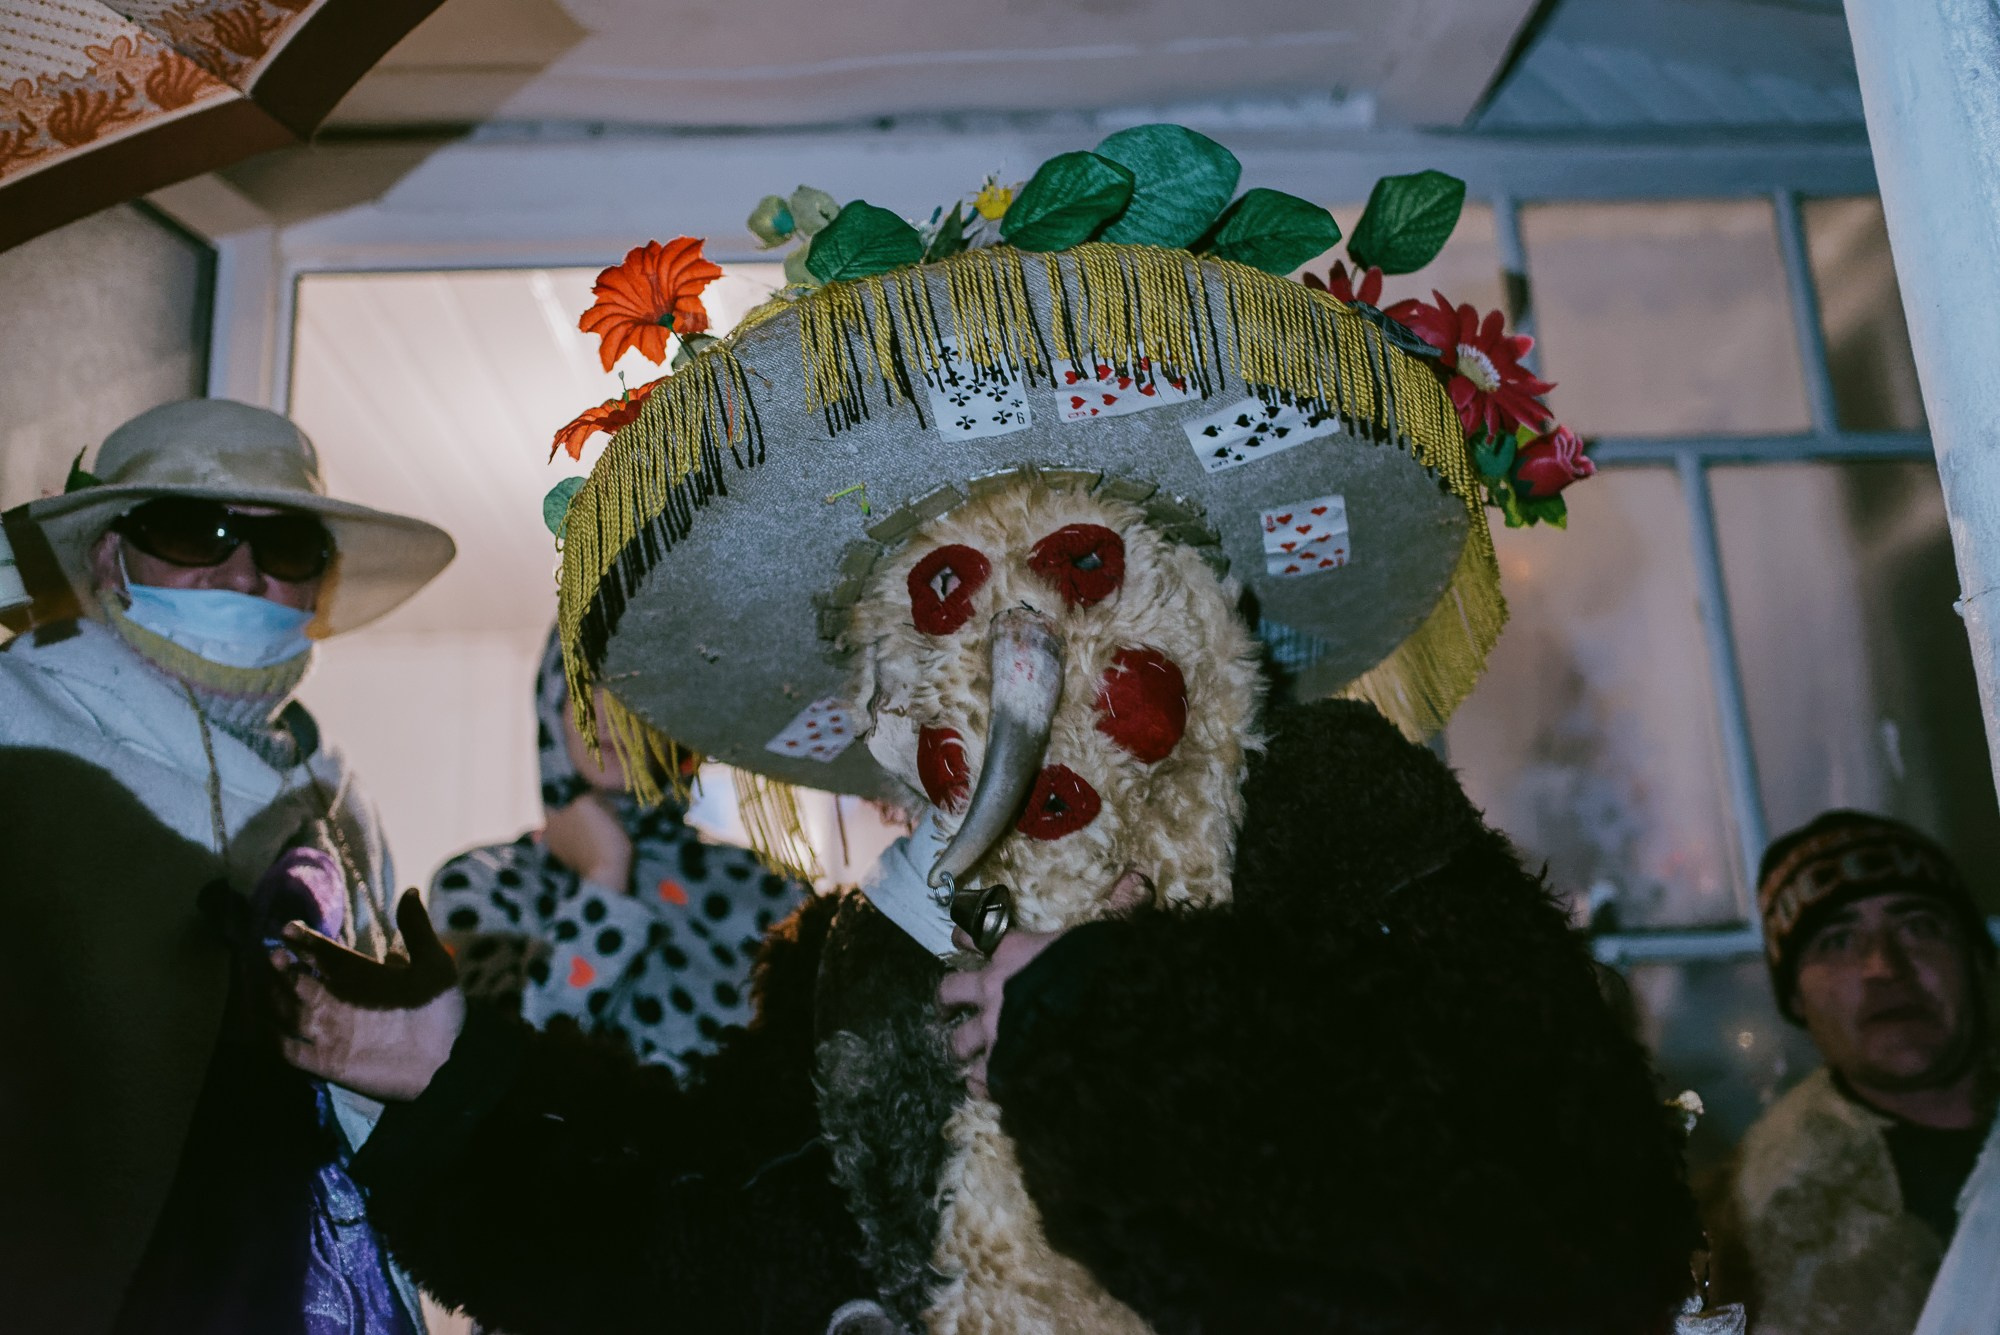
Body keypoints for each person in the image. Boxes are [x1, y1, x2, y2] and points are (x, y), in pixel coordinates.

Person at [0, 399, 454, 1334]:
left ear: (316, 586)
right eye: (191, 529)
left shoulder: (341, 799)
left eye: (285, 545)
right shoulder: (15, 722)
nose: (242, 572)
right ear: (106, 556)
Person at [428, 628, 805, 1070]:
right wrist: (605, 877)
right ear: (553, 703)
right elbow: (492, 1067)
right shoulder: (481, 882)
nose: (614, 712)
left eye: (642, 687)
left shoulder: (767, 890)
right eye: (589, 685)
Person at [1707, 810, 1996, 1334]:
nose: (1884, 966)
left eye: (1918, 927)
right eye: (1836, 941)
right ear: (1796, 996)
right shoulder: (1757, 1218)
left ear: (1975, 958)